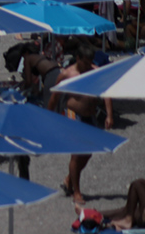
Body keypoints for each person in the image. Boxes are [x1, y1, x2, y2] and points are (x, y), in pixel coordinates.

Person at [49, 46, 114, 205]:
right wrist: (48, 117)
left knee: (89, 152)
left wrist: (110, 115)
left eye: (90, 62)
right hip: (73, 113)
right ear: (78, 59)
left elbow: (106, 92)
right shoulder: (67, 74)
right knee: (77, 153)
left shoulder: (95, 71)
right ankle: (76, 192)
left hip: (90, 114)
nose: (88, 65)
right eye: (85, 62)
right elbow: (55, 97)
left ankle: (69, 179)